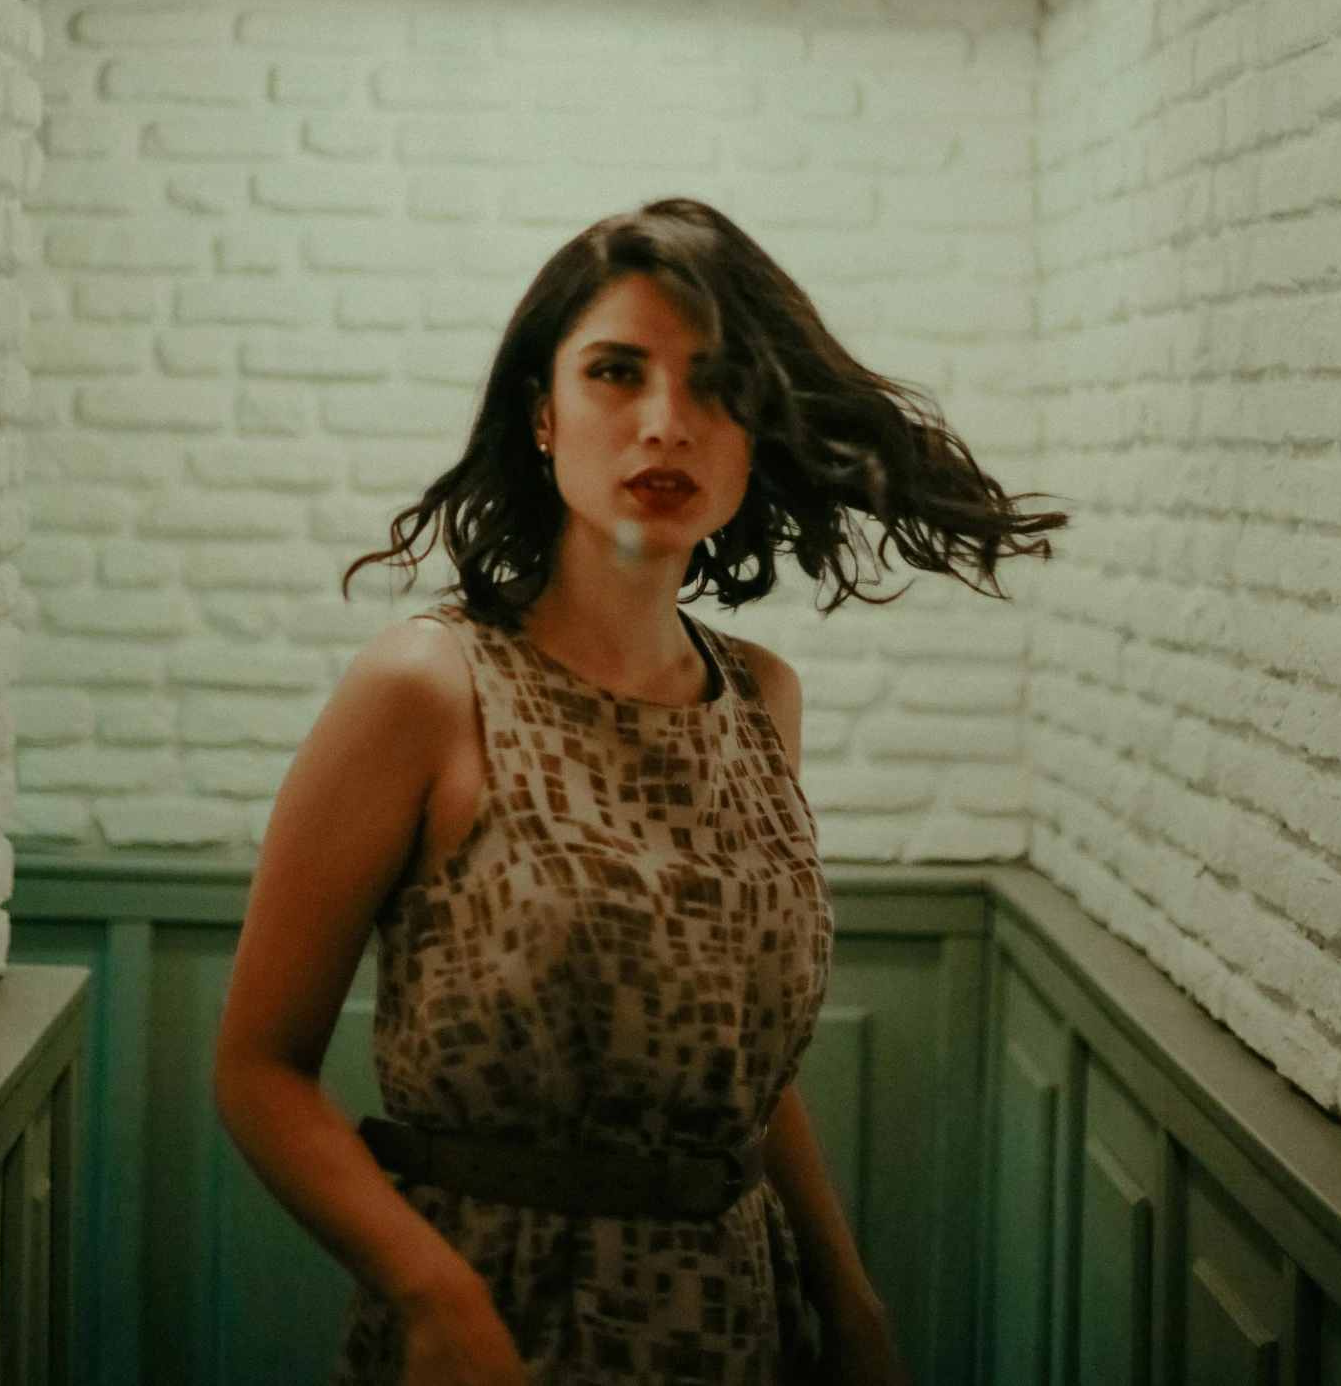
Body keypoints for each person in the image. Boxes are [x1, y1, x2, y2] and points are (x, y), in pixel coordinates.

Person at [214, 199, 1064, 1385]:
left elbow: (736, 1073)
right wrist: (431, 1290)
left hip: (734, 1317)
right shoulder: (427, 685)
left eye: (716, 384)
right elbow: (257, 1065)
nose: (666, 422)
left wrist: (849, 1296)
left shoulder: (759, 696)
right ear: (544, 414)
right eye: (617, 371)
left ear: (758, 432)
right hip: (498, 1324)